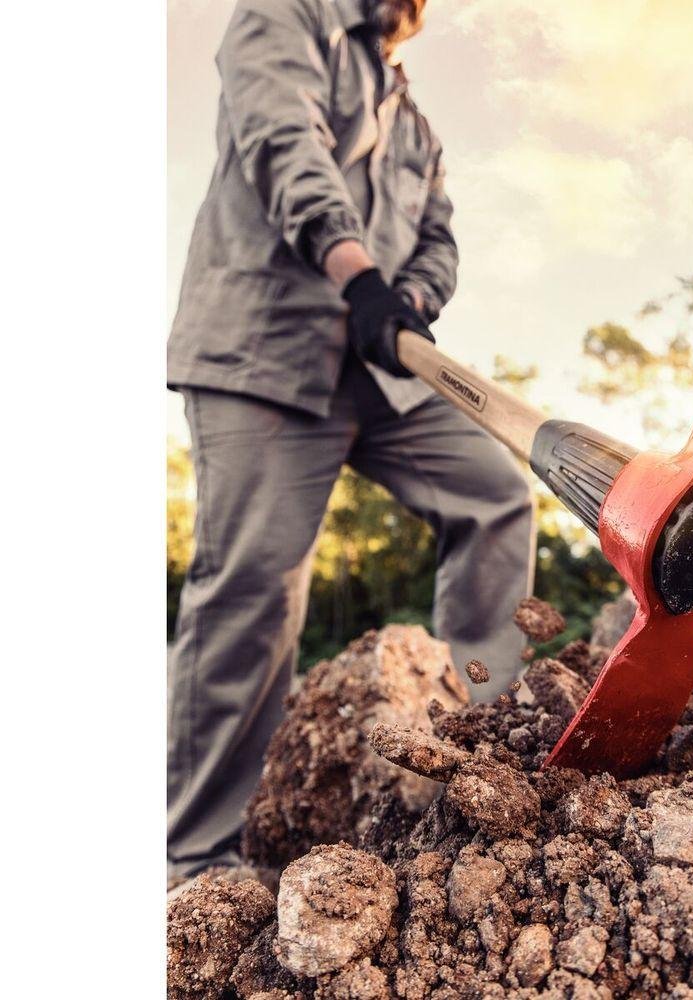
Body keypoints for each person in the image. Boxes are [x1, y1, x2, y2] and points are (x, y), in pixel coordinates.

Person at [166, 0, 535, 884]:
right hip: (266, 351)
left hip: (382, 370)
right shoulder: (282, 18)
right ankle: (193, 857)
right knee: (256, 587)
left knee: (496, 492)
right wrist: (357, 272)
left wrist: (408, 300)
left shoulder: (413, 119)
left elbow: (440, 238)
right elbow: (280, 145)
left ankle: (490, 730)